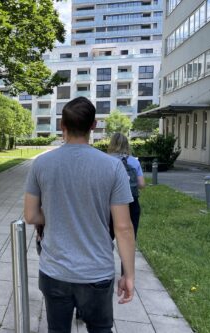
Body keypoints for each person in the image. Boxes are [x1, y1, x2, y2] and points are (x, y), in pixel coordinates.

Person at [23, 97, 136, 333]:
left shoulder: (41, 164)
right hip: (97, 272)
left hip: (55, 271)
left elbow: (31, 216)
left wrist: (54, 214)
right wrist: (129, 274)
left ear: (62, 126)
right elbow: (123, 228)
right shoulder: (113, 167)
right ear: (93, 125)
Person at [108, 133, 145, 276]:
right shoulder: (134, 161)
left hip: (110, 204)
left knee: (106, 237)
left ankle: (104, 268)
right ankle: (125, 273)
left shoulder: (106, 160)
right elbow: (141, 184)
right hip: (131, 202)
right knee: (129, 238)